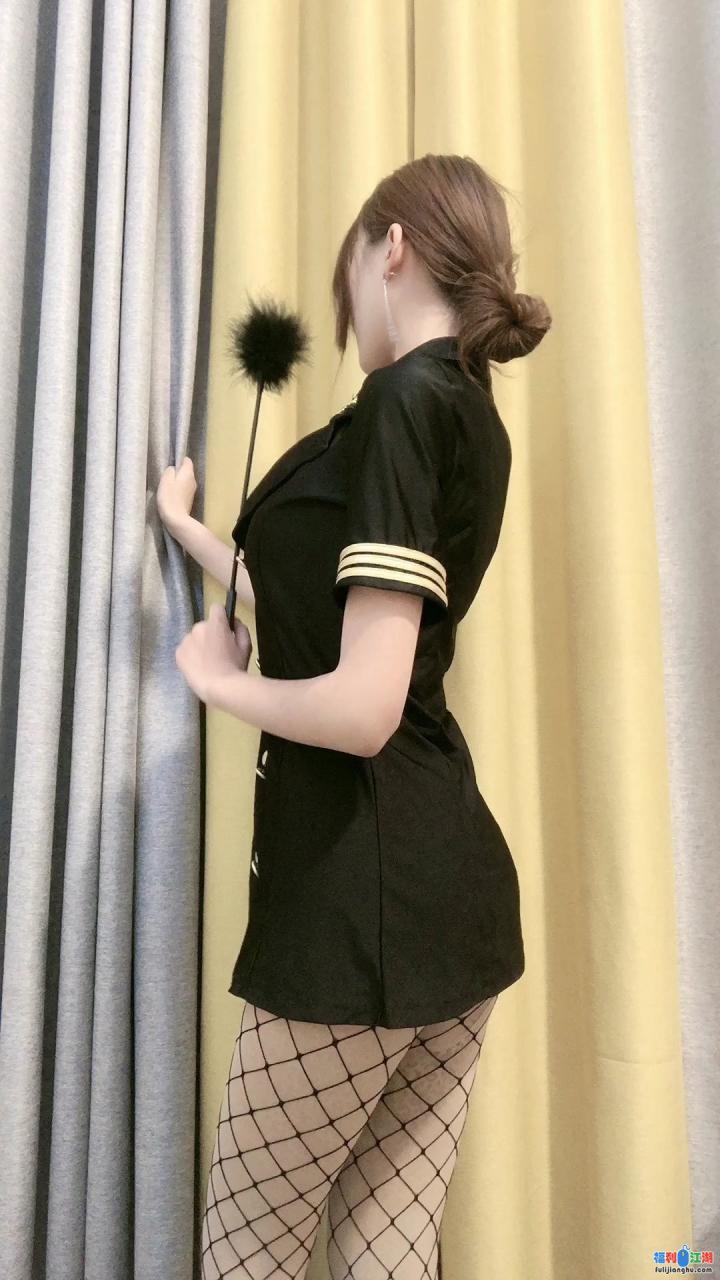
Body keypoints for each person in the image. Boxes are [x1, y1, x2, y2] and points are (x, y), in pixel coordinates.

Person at [158, 154, 551, 1279]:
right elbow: (321, 596)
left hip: (357, 896)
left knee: (250, 1248)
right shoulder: (464, 410)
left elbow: (367, 705)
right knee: (387, 1249)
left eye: (350, 280)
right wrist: (190, 532)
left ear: (393, 248)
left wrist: (219, 683)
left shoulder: (401, 403)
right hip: (451, 900)